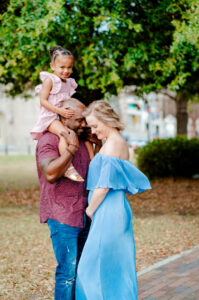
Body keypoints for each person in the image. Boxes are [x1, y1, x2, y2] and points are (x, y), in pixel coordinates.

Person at [75, 100, 151, 300]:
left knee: (90, 267)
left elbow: (104, 186)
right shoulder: (116, 142)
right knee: (114, 267)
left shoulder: (112, 145)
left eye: (95, 125)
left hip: (107, 211)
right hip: (115, 209)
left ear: (107, 120)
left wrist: (90, 209)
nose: (93, 129)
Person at [36, 98, 100, 300]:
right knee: (67, 274)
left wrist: (97, 146)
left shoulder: (83, 141)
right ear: (65, 116)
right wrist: (70, 149)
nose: (84, 124)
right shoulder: (48, 141)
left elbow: (94, 174)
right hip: (62, 216)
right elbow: (51, 174)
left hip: (85, 215)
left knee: (83, 269)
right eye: (80, 120)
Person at [31, 46, 94, 182]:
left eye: (69, 67)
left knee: (85, 137)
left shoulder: (68, 83)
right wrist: (59, 111)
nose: (66, 71)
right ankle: (68, 167)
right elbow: (43, 100)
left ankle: (93, 163)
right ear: (52, 66)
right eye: (62, 67)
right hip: (50, 118)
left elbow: (68, 102)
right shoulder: (50, 80)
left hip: (61, 116)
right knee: (64, 134)